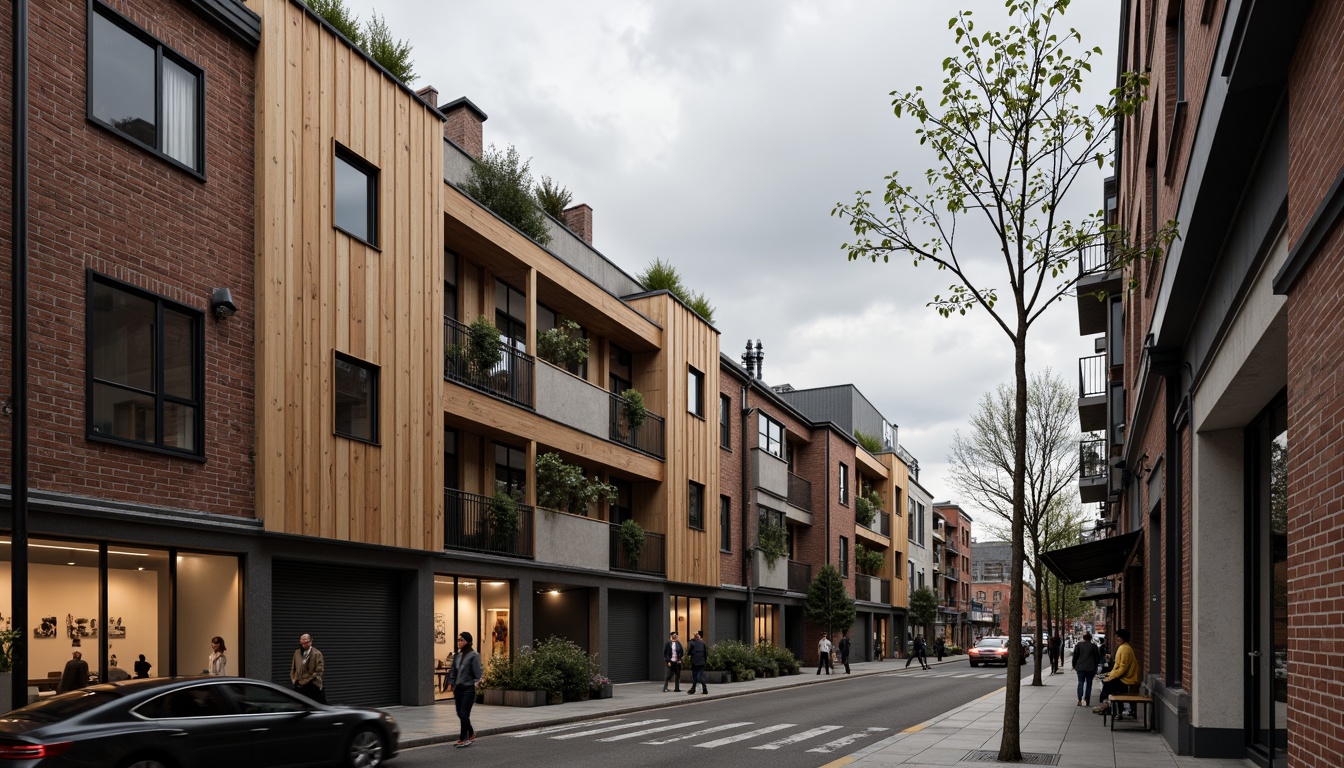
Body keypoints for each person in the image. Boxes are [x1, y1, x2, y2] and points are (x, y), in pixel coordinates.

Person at [1093, 628, 1140, 716]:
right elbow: (1117, 667)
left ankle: (1106, 705)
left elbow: (1122, 668)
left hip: (1128, 680)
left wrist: (1110, 676)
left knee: (1108, 684)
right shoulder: (1122, 647)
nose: (1116, 638)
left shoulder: (1125, 649)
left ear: (1123, 637)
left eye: (1118, 637)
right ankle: (1107, 705)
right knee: (1107, 683)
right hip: (1125, 678)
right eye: (1115, 636)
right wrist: (1109, 675)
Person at [449, 632, 483, 747]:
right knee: (460, 713)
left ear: (467, 642)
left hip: (468, 688)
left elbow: (478, 673)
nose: (459, 642)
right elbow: (453, 672)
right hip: (458, 689)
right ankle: (471, 733)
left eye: (461, 640)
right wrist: (452, 684)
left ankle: (464, 738)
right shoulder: (457, 656)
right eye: (458, 640)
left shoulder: (474, 655)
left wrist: (474, 683)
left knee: (464, 713)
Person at [290, 633, 326, 704]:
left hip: (313, 685)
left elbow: (319, 671)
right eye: (302, 643)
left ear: (310, 641)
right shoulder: (297, 652)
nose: (304, 645)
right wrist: (293, 679)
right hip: (299, 685)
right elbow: (293, 668)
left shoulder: (317, 653)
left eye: (306, 642)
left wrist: (307, 680)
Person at [1071, 632, 1101, 706]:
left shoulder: (1079, 645)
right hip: (1090, 668)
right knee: (1089, 684)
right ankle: (1087, 699)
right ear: (1090, 638)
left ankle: (1079, 699)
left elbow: (1075, 656)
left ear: (1083, 638)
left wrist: (1074, 665)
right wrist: (1096, 666)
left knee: (1080, 682)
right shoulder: (1093, 646)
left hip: (1080, 667)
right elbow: (1097, 657)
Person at [687, 630, 709, 694]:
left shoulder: (692, 643)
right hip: (701, 662)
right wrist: (705, 661)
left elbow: (689, 652)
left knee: (696, 676)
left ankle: (697, 688)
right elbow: (705, 653)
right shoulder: (702, 643)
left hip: (695, 662)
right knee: (698, 676)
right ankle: (699, 689)